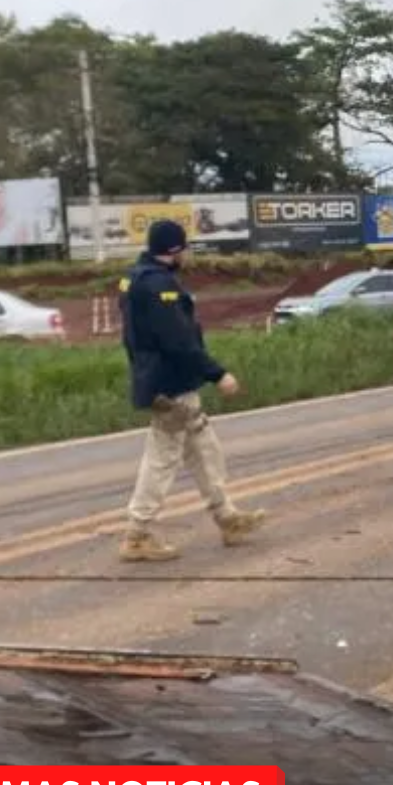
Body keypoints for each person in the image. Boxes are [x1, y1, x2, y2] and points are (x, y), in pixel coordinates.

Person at [116, 218, 265, 562]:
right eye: (184, 247)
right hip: (170, 385)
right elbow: (178, 341)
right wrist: (218, 374)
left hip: (164, 380)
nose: (187, 253)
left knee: (203, 448)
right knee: (163, 457)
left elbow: (133, 338)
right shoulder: (158, 287)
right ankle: (137, 533)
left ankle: (227, 516)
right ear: (174, 250)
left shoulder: (134, 278)